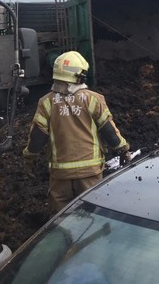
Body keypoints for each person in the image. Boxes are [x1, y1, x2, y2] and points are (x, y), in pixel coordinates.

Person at [22, 51, 131, 216]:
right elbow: (108, 130)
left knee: (59, 217)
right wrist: (123, 149)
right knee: (92, 213)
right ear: (80, 76)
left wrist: (29, 156)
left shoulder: (47, 102)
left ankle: (63, 240)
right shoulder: (93, 99)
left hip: (60, 173)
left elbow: (38, 137)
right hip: (90, 171)